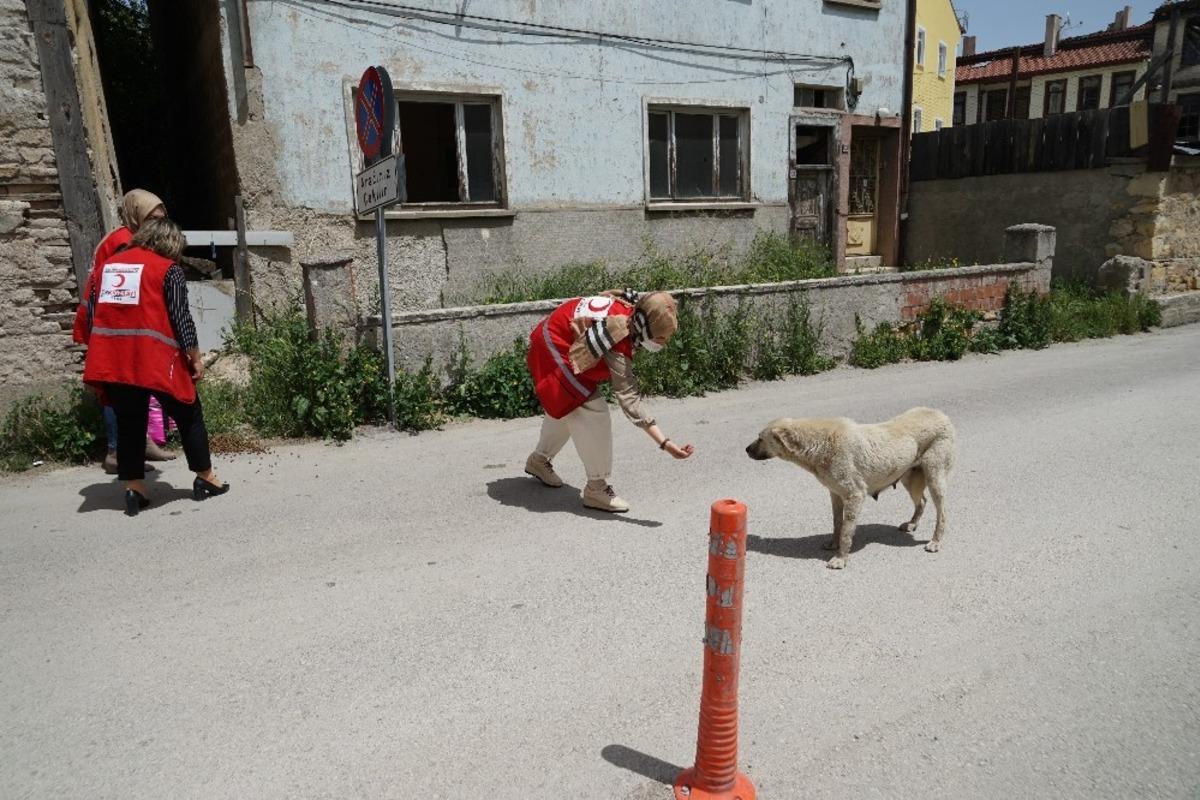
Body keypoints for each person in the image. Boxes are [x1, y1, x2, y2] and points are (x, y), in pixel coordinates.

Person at [81, 217, 229, 516]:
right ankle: (205, 477)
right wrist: (195, 357)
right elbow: (181, 318)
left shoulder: (106, 268)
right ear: (171, 244)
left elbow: (93, 315)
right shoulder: (167, 270)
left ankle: (134, 488)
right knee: (189, 415)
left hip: (115, 361)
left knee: (129, 422)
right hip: (156, 360)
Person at [524, 289, 694, 512]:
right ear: (646, 328)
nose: (665, 342)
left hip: (553, 335)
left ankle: (539, 460)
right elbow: (629, 398)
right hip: (553, 346)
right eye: (661, 337)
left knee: (569, 406)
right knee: (592, 411)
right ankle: (596, 488)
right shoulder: (618, 335)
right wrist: (665, 443)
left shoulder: (635, 310)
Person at [74, 189, 177, 473]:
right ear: (136, 216)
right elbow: (119, 293)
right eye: (152, 219)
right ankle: (116, 452)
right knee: (116, 386)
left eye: (161, 219)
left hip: (125, 328)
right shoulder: (123, 242)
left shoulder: (135, 239)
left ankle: (142, 443)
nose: (157, 225)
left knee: (136, 385)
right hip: (114, 327)